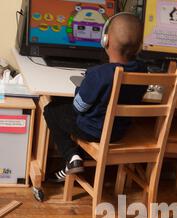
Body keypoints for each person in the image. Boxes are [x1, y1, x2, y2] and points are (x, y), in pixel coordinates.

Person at [44, 13, 146, 182]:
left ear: (105, 40)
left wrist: (81, 87)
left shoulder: (98, 74)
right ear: (139, 47)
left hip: (93, 130)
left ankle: (72, 156)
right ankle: (77, 155)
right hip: (119, 131)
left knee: (51, 110)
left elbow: (78, 107)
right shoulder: (142, 70)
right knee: (64, 105)